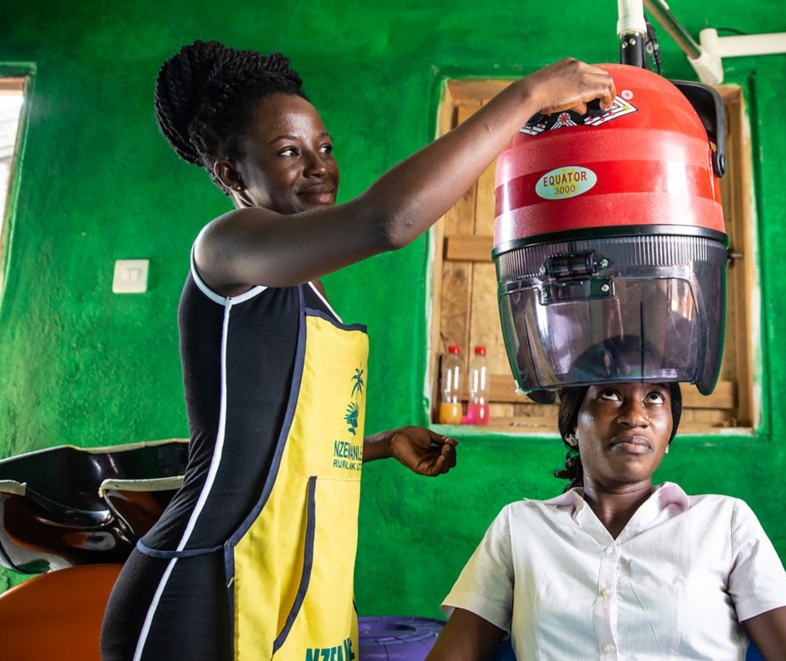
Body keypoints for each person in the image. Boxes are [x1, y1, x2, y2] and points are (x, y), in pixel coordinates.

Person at [100, 40, 615, 661]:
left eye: (324, 147)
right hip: (202, 587)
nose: (319, 167)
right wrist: (527, 96)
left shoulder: (301, 280)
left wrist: (376, 444)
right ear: (232, 174)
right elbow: (387, 222)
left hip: (287, 585)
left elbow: (266, 439)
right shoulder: (227, 247)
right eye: (290, 151)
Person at [429, 382, 786, 661]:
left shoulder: (725, 522)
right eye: (609, 395)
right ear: (572, 425)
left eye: (655, 398)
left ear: (670, 430)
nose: (635, 415)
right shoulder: (520, 527)